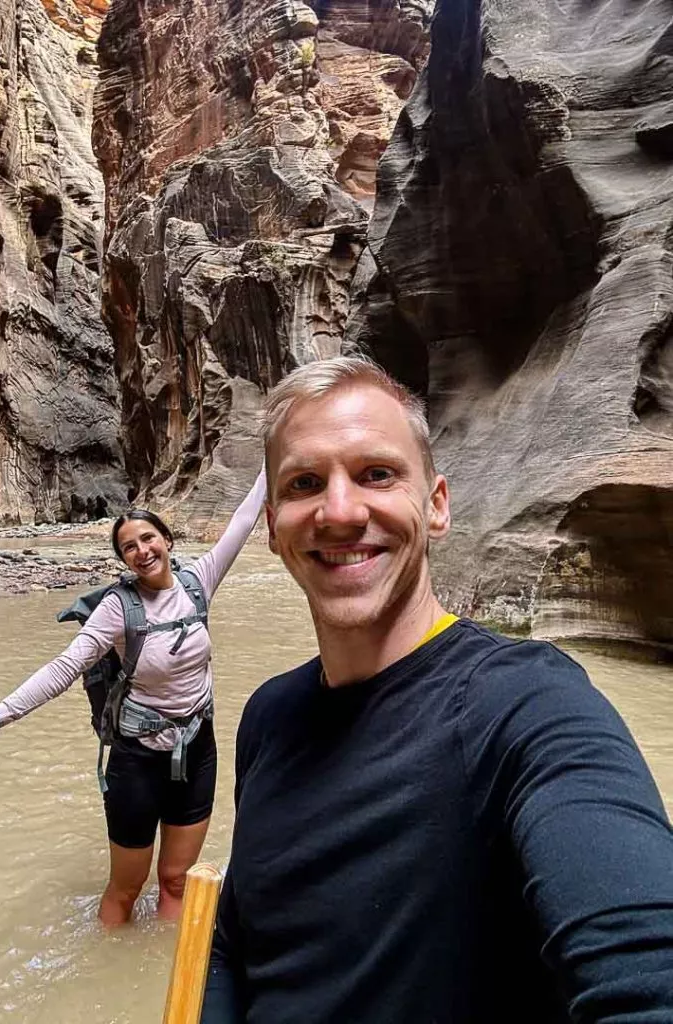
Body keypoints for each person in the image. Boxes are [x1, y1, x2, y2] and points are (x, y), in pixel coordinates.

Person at [202, 356, 673, 1023]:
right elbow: (237, 943)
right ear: (274, 529)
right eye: (306, 483)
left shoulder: (526, 705)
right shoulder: (267, 718)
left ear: (435, 506)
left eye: (376, 474)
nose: (339, 511)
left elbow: (646, 973)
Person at [0, 468, 267, 928]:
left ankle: (160, 982)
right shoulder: (118, 608)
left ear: (167, 540)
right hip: (138, 762)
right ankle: (108, 962)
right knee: (127, 890)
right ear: (124, 559)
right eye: (129, 547)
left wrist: (276, 453)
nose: (142, 551)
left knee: (175, 881)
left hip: (197, 750)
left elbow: (245, 518)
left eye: (148, 538)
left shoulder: (198, 582)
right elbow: (64, 668)